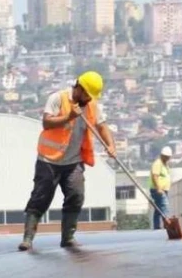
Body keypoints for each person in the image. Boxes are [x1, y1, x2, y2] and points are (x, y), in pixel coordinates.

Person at [19, 71, 116, 251]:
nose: (88, 99)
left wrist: (110, 145)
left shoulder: (92, 106)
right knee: (40, 198)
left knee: (76, 196)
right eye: (86, 94)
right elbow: (46, 123)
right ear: (78, 88)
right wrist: (69, 116)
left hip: (73, 162)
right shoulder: (58, 98)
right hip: (49, 160)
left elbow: (102, 126)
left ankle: (68, 237)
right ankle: (28, 239)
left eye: (90, 96)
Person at [150, 147, 173, 230]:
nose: (167, 158)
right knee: (164, 206)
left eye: (168, 157)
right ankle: (169, 226)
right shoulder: (158, 163)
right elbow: (155, 176)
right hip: (158, 190)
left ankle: (157, 227)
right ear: (162, 155)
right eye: (166, 156)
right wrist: (158, 188)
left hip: (163, 189)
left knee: (158, 209)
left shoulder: (164, 164)